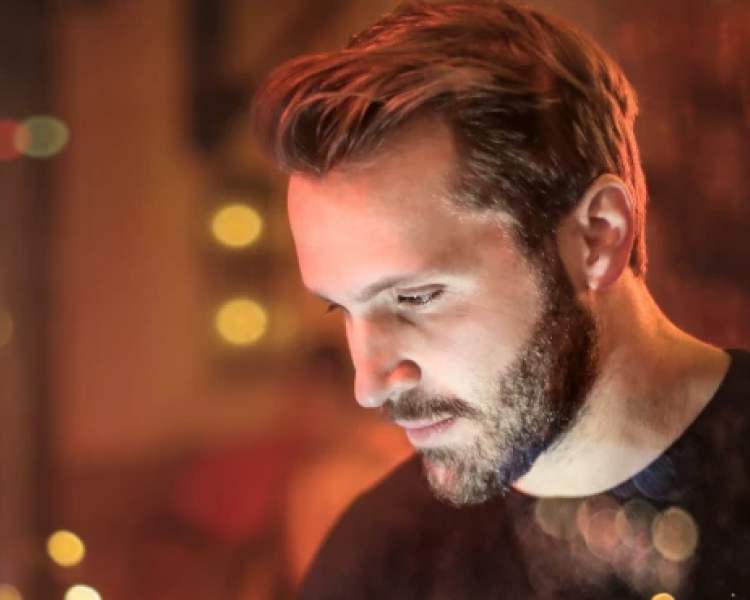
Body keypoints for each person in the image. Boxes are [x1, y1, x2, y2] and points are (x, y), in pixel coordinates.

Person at [251, 1, 750, 598]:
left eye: (416, 297)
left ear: (598, 237)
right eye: (342, 310)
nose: (371, 384)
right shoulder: (376, 564)